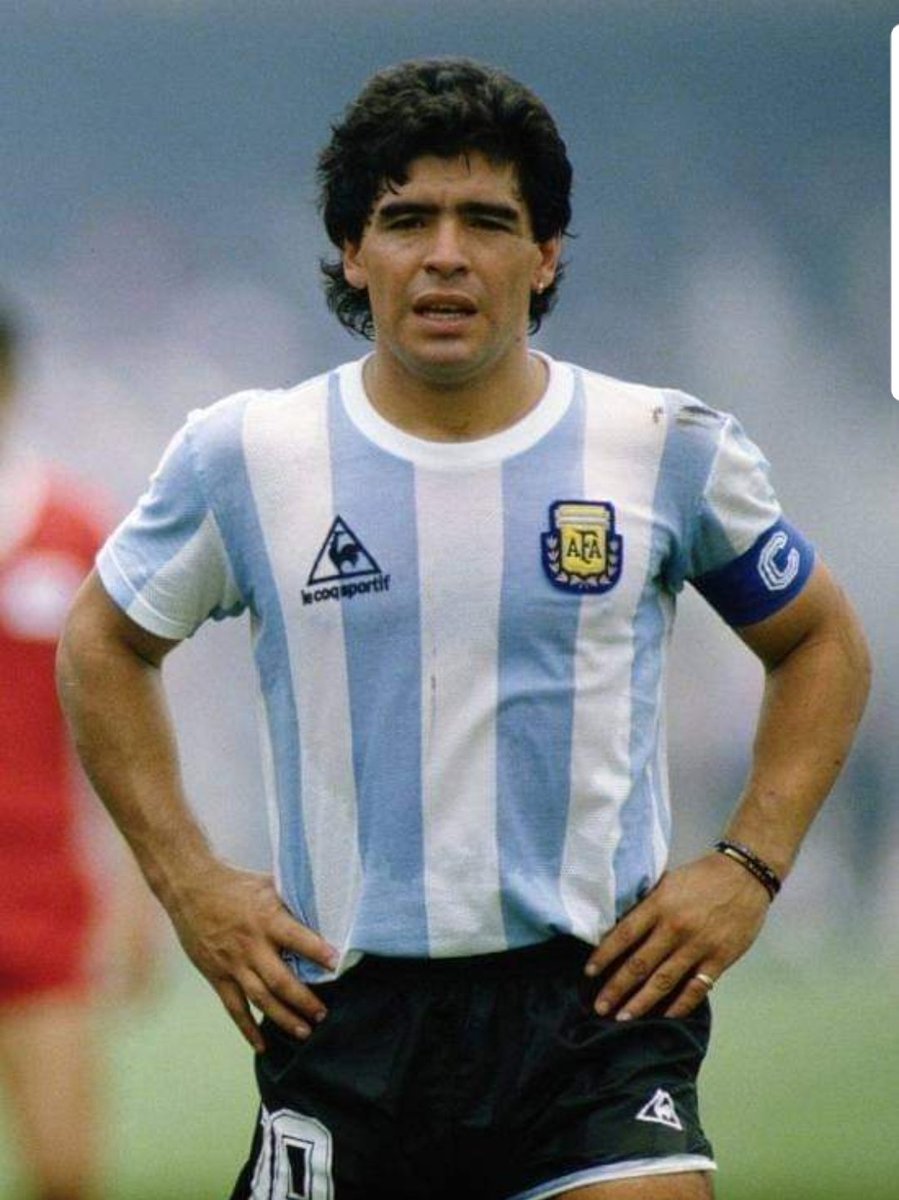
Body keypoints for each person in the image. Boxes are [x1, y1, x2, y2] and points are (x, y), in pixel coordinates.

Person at [56, 59, 870, 1200]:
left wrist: (748, 866)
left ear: (544, 256)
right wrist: (188, 882)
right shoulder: (246, 455)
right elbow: (102, 644)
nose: (445, 254)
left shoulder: (661, 445)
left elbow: (821, 642)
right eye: (406, 220)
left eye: (487, 221)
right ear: (353, 250)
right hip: (346, 1014)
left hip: (595, 1009)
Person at [0, 305, 159, 1200]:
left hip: (40, 895)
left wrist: (137, 890)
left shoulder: (73, 532)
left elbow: (119, 726)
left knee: (65, 1171)